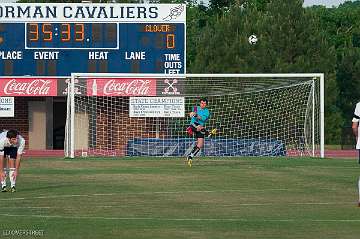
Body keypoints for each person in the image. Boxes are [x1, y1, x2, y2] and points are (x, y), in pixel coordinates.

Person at [186, 98, 216, 167]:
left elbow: (202, 118)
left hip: (200, 128)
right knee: (199, 127)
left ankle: (190, 156)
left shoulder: (207, 111)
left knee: (200, 144)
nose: (203, 105)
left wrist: (196, 115)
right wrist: (191, 114)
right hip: (194, 124)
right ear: (200, 103)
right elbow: (191, 114)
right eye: (202, 103)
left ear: (206, 104)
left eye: (205, 103)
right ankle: (208, 133)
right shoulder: (196, 108)